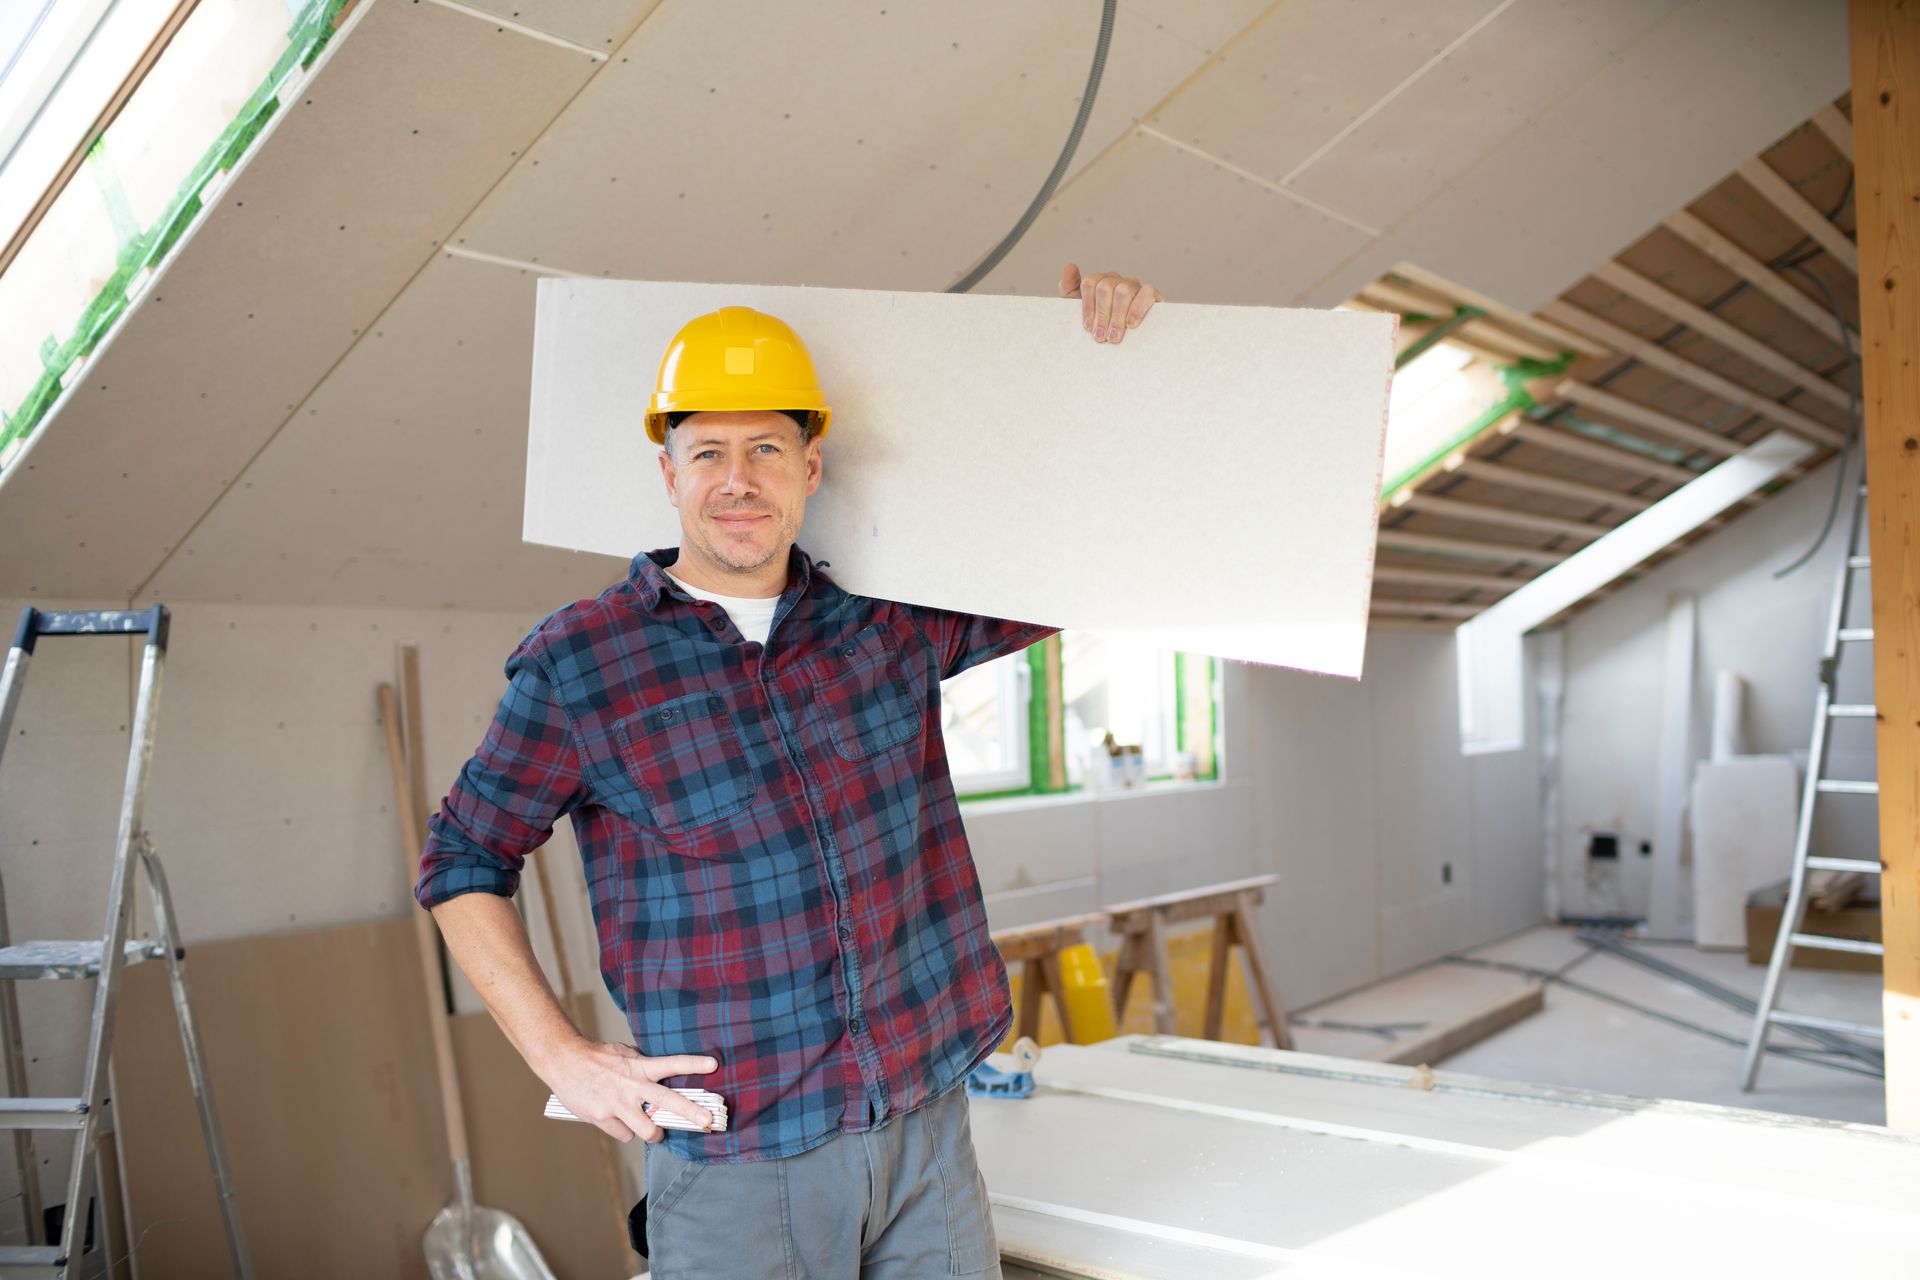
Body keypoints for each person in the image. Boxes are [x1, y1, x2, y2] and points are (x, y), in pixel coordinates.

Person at [415, 264, 1163, 1278]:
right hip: (740, 1161)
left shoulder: (886, 624)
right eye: (708, 451)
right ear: (668, 473)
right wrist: (560, 1054)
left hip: (925, 1130)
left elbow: (1085, 550)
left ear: (811, 469)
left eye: (766, 448)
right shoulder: (583, 663)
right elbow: (463, 853)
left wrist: (1103, 364)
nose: (738, 478)